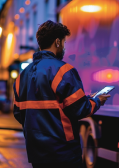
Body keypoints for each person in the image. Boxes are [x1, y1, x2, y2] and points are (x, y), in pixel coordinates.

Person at [13, 20, 110, 168]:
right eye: (64, 42)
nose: (64, 47)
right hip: (63, 153)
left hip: (36, 154)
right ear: (57, 42)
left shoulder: (22, 76)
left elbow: (18, 114)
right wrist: (97, 101)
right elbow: (79, 108)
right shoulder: (64, 71)